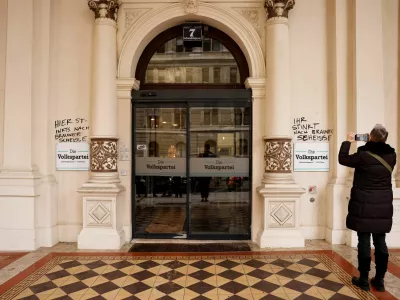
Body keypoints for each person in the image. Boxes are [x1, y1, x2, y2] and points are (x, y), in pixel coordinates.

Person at [339, 124, 396, 292]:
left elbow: (343, 159)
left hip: (364, 204)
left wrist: (348, 141)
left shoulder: (363, 155)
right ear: (385, 139)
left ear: (370, 137)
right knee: (380, 241)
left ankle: (363, 279)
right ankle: (379, 279)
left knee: (363, 240)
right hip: (383, 205)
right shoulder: (392, 155)